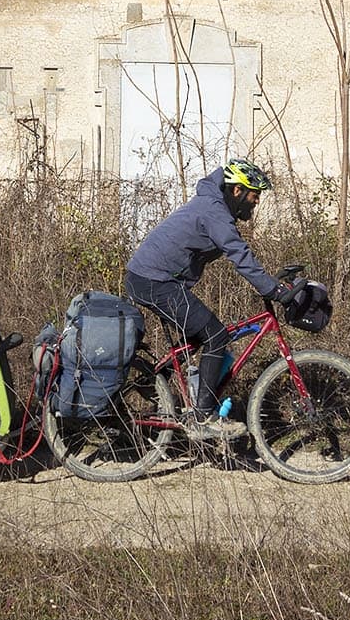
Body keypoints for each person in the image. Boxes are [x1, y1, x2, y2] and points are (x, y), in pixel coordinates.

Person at [123, 159, 296, 440]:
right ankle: (202, 418)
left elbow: (238, 253)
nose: (255, 203)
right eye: (254, 196)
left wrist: (271, 283)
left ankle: (152, 380)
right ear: (237, 191)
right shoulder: (214, 211)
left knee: (201, 335)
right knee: (216, 335)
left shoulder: (214, 206)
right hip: (153, 282)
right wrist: (272, 290)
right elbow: (239, 254)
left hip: (156, 279)